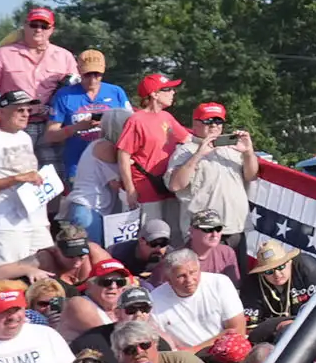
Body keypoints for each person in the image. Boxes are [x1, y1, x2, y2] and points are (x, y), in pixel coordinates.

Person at [0, 88, 57, 268]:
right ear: (2, 112)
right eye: (19, 110)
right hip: (5, 223)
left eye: (28, 110)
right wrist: (16, 179)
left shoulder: (24, 137)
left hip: (35, 220)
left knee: (46, 276)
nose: (25, 115)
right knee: (6, 279)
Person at [39, 51, 126, 226]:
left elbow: (129, 125)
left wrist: (107, 126)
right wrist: (77, 127)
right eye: (87, 74)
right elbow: (50, 135)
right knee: (86, 216)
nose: (92, 79)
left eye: (97, 74)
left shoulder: (116, 92)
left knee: (115, 214)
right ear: (79, 71)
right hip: (78, 166)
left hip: (113, 164)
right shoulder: (65, 95)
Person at [161, 104, 257, 244]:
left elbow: (251, 176)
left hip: (235, 227)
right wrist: (198, 155)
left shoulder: (233, 148)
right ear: (195, 124)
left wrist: (248, 152)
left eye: (218, 121)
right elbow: (175, 185)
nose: (214, 125)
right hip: (204, 231)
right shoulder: (185, 151)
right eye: (208, 121)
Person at [145, 248, 247, 361]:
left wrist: (194, 350)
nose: (189, 280)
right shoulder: (154, 300)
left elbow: (237, 330)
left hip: (223, 353)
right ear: (168, 280)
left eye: (193, 272)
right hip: (187, 361)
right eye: (181, 276)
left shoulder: (220, 283)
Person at [0, 10, 77, 117]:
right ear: (25, 26)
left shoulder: (65, 56)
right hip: (13, 123)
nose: (38, 29)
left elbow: (75, 92)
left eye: (44, 26)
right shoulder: (2, 54)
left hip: (52, 125)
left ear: (51, 30)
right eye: (34, 25)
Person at [115, 75, 188, 208]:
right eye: (168, 89)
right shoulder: (136, 120)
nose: (173, 92)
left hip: (168, 186)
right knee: (150, 228)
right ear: (154, 94)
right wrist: (130, 189)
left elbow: (188, 139)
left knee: (170, 228)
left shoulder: (167, 117)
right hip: (145, 188)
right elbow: (123, 155)